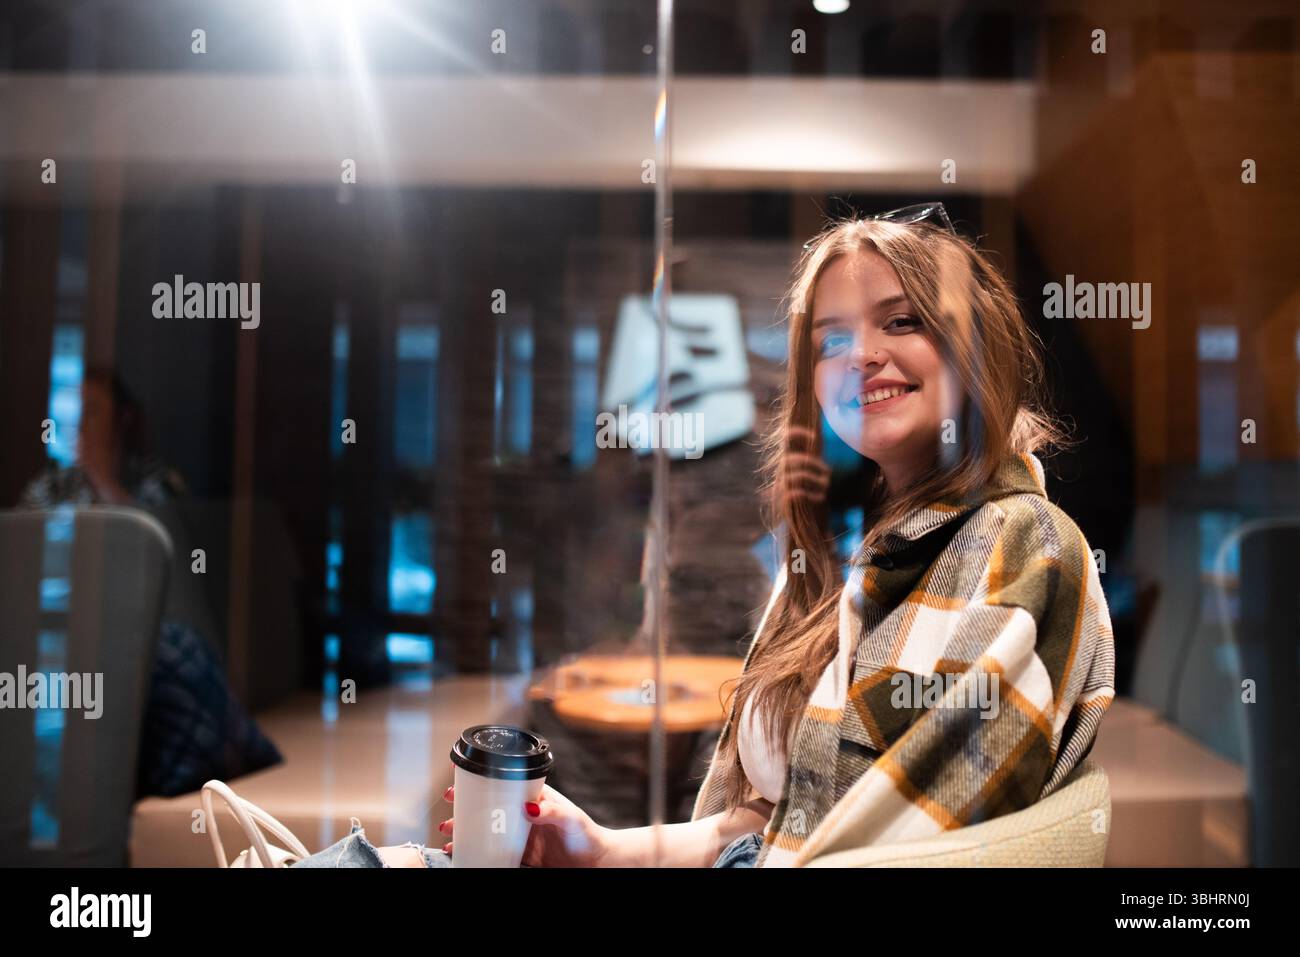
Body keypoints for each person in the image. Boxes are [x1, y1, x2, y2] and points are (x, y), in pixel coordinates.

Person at [298, 203, 1116, 868]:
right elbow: (770, 819)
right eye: (831, 338)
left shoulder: (1018, 543)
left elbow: (876, 846)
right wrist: (606, 850)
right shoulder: (865, 559)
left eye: (899, 321)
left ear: (976, 349)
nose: (860, 354)